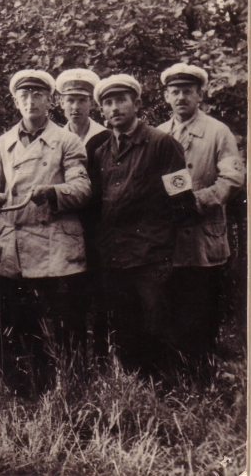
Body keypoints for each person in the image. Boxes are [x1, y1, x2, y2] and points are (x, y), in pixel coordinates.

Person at [0, 69, 91, 378]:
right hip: (12, 248)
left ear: (50, 101)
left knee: (61, 328)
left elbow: (82, 190)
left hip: (55, 248)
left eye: (37, 95)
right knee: (16, 325)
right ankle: (24, 387)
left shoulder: (67, 141)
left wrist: (52, 192)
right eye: (24, 96)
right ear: (15, 102)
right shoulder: (2, 144)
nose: (30, 101)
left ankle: (70, 385)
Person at [89, 74, 197, 373]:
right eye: (108, 103)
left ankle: (169, 388)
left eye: (121, 100)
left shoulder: (163, 144)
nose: (114, 108)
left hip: (152, 256)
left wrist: (159, 239)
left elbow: (183, 200)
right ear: (102, 111)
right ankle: (135, 387)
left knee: (157, 323)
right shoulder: (102, 152)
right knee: (125, 325)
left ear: (136, 104)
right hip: (116, 255)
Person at [156, 64, 245, 362]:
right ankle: (176, 367)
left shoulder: (217, 132)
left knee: (204, 304)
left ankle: (204, 366)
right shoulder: (159, 135)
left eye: (188, 91)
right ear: (167, 97)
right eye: (175, 92)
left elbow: (233, 177)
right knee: (171, 303)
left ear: (199, 95)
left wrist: (200, 200)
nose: (181, 97)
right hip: (168, 238)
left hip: (205, 235)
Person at [55, 69, 113, 359]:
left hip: (98, 225)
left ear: (91, 104)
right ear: (61, 103)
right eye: (69, 100)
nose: (75, 107)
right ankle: (73, 357)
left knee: (101, 290)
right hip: (64, 224)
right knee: (70, 290)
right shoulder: (54, 137)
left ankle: (102, 355)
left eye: (81, 100)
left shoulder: (105, 138)